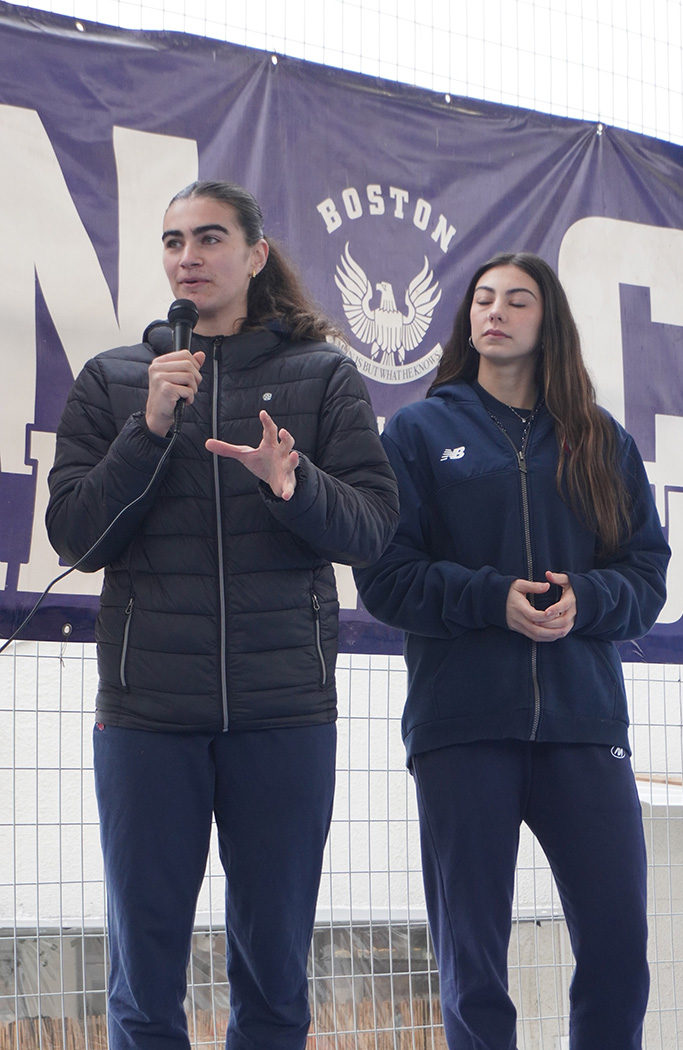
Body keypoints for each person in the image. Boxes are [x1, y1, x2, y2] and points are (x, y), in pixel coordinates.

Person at [46, 179, 399, 1050]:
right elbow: (77, 540)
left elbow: (371, 529)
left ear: (255, 255)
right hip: (148, 715)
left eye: (209, 238)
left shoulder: (321, 375)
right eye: (174, 241)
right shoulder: (114, 380)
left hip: (283, 711)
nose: (189, 256)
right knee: (144, 975)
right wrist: (147, 427)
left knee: (275, 973)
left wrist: (293, 484)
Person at [353, 252, 670, 1050]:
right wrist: (491, 598)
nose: (494, 311)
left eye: (517, 299)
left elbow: (645, 574)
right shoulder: (419, 433)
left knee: (618, 951)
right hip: (463, 727)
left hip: (583, 726)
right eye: (483, 298)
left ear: (549, 319)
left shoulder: (600, 439)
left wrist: (586, 601)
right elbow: (385, 579)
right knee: (474, 967)